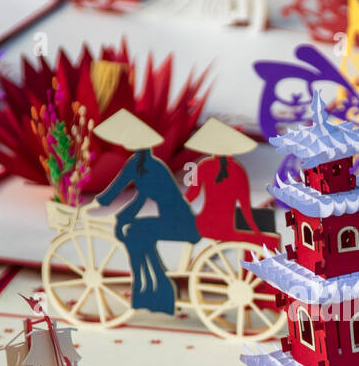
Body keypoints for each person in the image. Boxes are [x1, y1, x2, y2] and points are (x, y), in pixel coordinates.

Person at [91, 110, 199, 316]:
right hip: (176, 218)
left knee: (135, 233)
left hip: (178, 222)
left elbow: (124, 195)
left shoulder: (144, 166)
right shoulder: (147, 165)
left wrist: (104, 208)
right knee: (136, 232)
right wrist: (114, 213)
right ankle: (151, 289)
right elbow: (131, 197)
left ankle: (149, 290)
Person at [183, 118, 277, 250]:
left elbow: (191, 195)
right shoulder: (238, 170)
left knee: (263, 222)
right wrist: (255, 229)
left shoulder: (204, 166)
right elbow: (245, 206)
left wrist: (177, 208)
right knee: (267, 233)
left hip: (205, 222)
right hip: (226, 224)